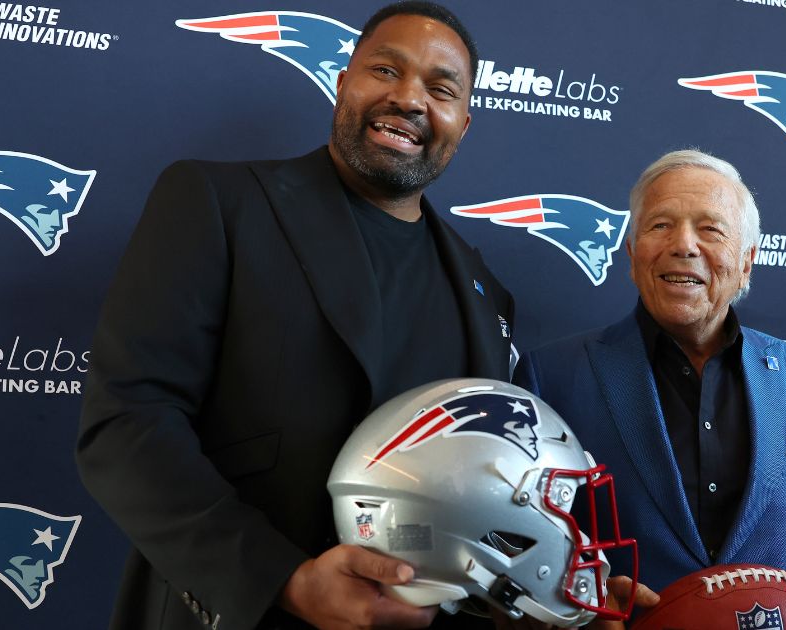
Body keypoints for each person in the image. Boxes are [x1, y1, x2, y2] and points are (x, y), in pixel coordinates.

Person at [76, 3, 516, 629]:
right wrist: (286, 580)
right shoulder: (215, 203)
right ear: (342, 85)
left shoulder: (486, 292)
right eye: (384, 70)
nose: (408, 99)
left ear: (462, 124)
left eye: (440, 89)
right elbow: (125, 426)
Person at [514, 149, 786, 628]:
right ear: (632, 251)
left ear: (746, 262)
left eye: (711, 229)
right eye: (660, 225)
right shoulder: (551, 375)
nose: (683, 245)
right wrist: (579, 601)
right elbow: (524, 537)